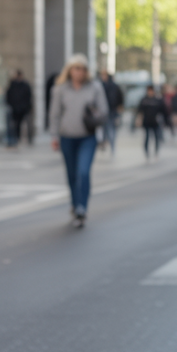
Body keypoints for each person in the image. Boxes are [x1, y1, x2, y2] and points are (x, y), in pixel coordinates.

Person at [49, 54, 108, 228]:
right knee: (72, 174)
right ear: (69, 70)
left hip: (87, 137)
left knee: (83, 172)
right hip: (67, 137)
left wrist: (95, 117)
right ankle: (75, 205)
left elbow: (104, 111)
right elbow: (55, 114)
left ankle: (83, 207)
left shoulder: (94, 87)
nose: (79, 72)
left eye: (82, 69)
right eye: (76, 68)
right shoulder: (60, 89)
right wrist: (54, 136)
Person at [136, 84, 167, 159]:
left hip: (155, 121)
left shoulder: (157, 99)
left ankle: (156, 151)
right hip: (146, 121)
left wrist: (164, 120)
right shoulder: (144, 99)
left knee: (156, 137)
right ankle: (147, 152)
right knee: (147, 137)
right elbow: (139, 110)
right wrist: (138, 119)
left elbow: (163, 110)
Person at [4, 70, 34, 147]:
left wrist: (27, 106)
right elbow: (8, 96)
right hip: (15, 108)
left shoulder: (25, 85)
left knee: (26, 124)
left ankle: (28, 138)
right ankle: (16, 138)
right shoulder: (12, 85)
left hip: (24, 108)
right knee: (16, 125)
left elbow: (28, 97)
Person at [98, 70, 124, 154]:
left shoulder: (108, 86)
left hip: (112, 111)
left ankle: (111, 145)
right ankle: (106, 144)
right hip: (104, 111)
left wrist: (119, 107)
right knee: (105, 129)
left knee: (110, 129)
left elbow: (120, 97)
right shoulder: (101, 85)